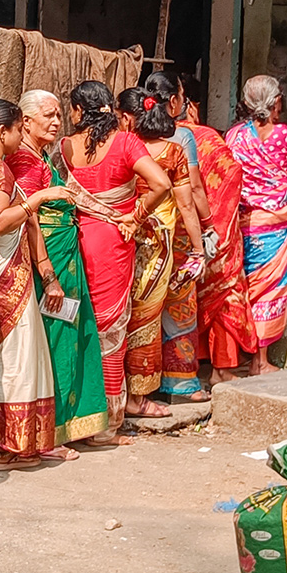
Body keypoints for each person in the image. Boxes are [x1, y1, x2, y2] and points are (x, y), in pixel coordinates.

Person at [0, 100, 69, 470]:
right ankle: (9, 446)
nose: (21, 137)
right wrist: (38, 198)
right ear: (2, 131)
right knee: (14, 355)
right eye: (19, 129)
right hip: (2, 270)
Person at [55, 81, 171, 444]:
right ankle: (104, 427)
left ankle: (73, 419)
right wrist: (136, 216)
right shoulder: (124, 142)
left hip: (73, 241)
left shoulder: (63, 148)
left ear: (76, 111)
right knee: (110, 330)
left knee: (77, 325)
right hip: (113, 243)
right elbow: (161, 184)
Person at [7, 90, 108, 448]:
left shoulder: (41, 157)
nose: (55, 122)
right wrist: (48, 275)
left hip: (65, 255)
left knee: (71, 336)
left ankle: (75, 425)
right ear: (27, 121)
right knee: (56, 339)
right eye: (47, 116)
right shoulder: (23, 161)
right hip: (48, 259)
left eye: (57, 116)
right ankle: (51, 432)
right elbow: (28, 218)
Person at [116, 88, 204, 415]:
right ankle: (137, 397)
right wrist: (198, 249)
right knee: (147, 317)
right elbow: (186, 204)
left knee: (119, 313)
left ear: (128, 118)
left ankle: (117, 391)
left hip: (121, 238)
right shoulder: (173, 152)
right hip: (158, 246)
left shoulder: (122, 148)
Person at [226, 76, 287, 374]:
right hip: (276, 225)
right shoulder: (285, 135)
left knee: (247, 285)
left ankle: (239, 354)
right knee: (270, 289)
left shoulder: (235, 136)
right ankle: (260, 361)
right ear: (274, 102)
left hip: (244, 222)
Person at [177, 84, 258, 384]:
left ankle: (190, 367)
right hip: (213, 230)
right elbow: (231, 175)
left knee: (188, 300)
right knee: (224, 294)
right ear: (189, 106)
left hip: (178, 234)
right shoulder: (207, 138)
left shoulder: (156, 139)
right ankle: (222, 368)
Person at [145, 72, 212, 401]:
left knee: (143, 309)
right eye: (183, 98)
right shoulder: (181, 138)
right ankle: (181, 382)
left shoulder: (130, 136)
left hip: (139, 232)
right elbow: (193, 190)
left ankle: (143, 383)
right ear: (173, 102)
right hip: (175, 234)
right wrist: (208, 225)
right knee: (180, 305)